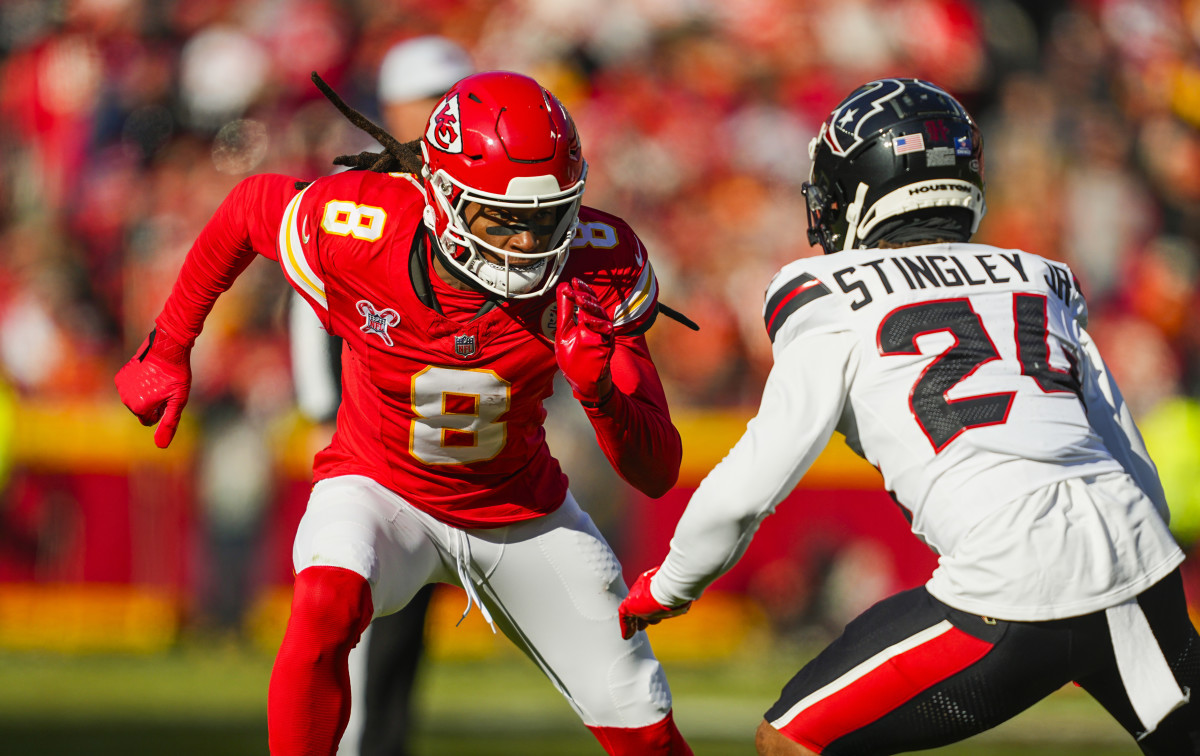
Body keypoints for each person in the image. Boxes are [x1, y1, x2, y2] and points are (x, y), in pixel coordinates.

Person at [116, 70, 694, 755]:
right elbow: (248, 208)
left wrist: (600, 393)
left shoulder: (601, 262)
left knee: (647, 733)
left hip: (520, 515)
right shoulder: (363, 225)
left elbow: (658, 471)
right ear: (442, 197)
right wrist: (168, 347)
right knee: (324, 605)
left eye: (548, 217)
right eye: (504, 220)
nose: (529, 244)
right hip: (380, 487)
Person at [618, 78, 1199, 756]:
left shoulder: (823, 295)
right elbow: (1126, 452)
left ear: (863, 193)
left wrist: (671, 583)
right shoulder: (1041, 277)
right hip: (1138, 556)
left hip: (1007, 585)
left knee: (791, 741)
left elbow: (751, 483)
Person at [286, 35, 473, 756]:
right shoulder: (366, 188)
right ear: (392, 104)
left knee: (407, 626)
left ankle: (384, 744)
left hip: (435, 441)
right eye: (425, 97)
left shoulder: (460, 192)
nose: (434, 112)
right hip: (367, 435)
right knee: (354, 610)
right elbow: (312, 299)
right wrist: (318, 411)